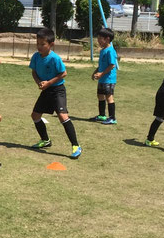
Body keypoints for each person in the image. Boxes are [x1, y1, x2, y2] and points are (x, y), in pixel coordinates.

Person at [29, 27, 82, 159]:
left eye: (43, 44)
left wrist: (48, 83)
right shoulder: (36, 57)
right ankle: (45, 140)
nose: (39, 47)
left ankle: (76, 145)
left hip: (57, 90)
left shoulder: (54, 58)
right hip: (46, 90)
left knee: (63, 117)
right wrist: (39, 82)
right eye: (38, 44)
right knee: (35, 115)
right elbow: (34, 71)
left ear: (51, 44)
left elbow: (63, 73)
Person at [91, 27, 117, 124]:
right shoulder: (103, 51)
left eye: (100, 38)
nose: (98, 40)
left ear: (107, 39)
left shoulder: (110, 50)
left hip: (109, 79)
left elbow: (112, 65)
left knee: (109, 97)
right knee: (100, 95)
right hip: (102, 79)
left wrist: (101, 73)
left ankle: (112, 118)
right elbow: (101, 65)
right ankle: (102, 115)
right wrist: (95, 72)